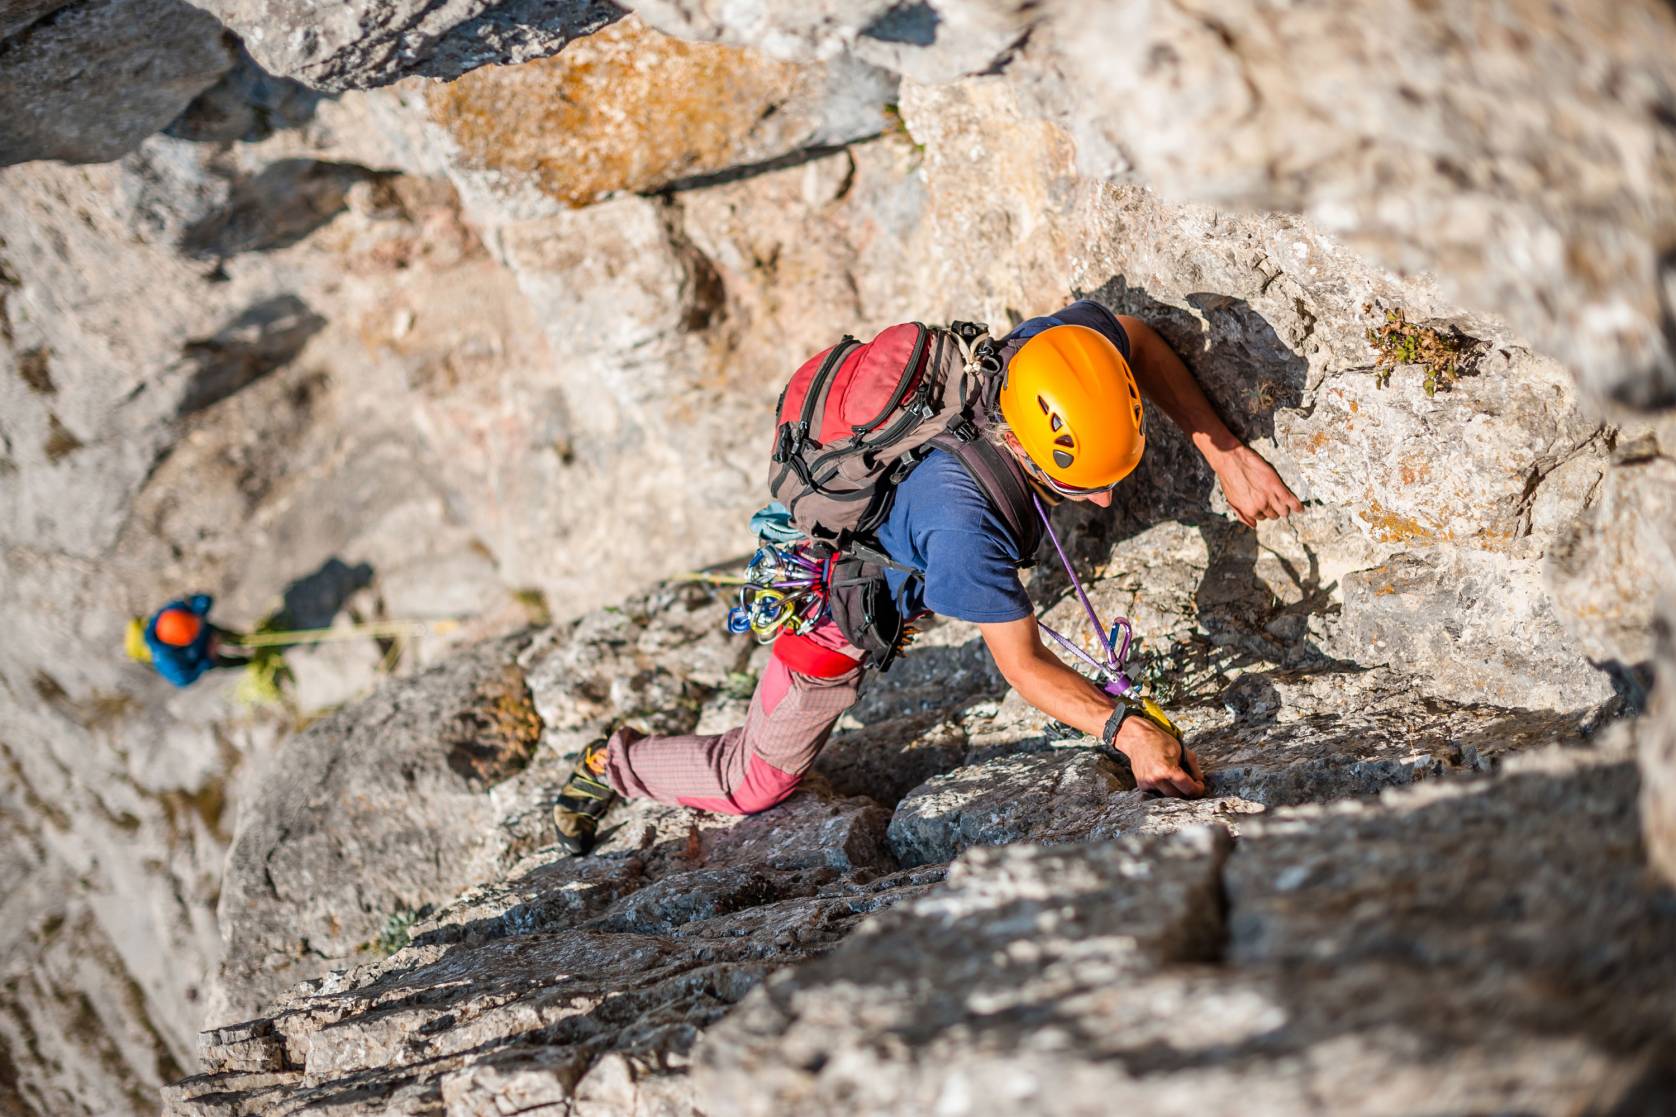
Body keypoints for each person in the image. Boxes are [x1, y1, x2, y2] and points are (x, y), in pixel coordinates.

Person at [552, 300, 1303, 854]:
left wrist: (1226, 453)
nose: (1106, 500)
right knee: (753, 782)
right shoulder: (964, 525)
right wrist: (1131, 733)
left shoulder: (1045, 362)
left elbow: (1130, 335)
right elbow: (1023, 664)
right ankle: (610, 765)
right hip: (835, 594)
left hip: (909, 507)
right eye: (1086, 483)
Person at [129, 594, 253, 687]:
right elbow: (183, 680)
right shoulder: (167, 661)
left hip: (208, 632)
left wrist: (199, 610)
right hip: (203, 655)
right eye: (194, 631)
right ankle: (251, 662)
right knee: (225, 662)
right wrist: (207, 659)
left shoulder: (173, 611)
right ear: (180, 643)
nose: (197, 628)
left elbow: (205, 599)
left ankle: (248, 641)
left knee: (233, 637)